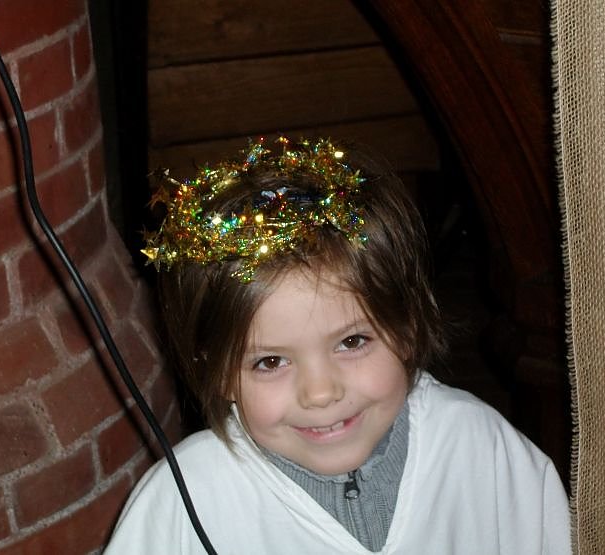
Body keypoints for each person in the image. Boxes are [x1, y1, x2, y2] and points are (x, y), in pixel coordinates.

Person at [105, 137, 571, 554]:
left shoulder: (480, 447)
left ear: (406, 329)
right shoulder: (184, 501)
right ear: (219, 372)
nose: (321, 392)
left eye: (352, 341)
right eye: (271, 361)